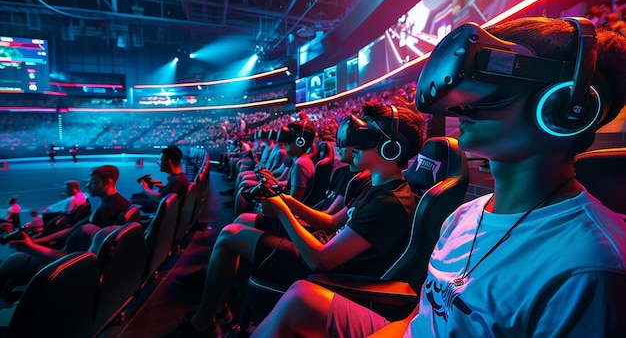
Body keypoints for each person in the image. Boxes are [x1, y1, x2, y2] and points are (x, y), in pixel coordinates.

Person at [250, 17, 626, 337]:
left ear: (567, 109)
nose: (460, 104)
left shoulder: (588, 268)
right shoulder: (461, 215)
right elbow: (422, 318)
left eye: (493, 89)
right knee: (299, 302)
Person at [167, 102, 425, 337]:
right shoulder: (375, 187)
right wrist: (287, 202)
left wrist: (283, 212)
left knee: (231, 235)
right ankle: (218, 310)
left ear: (391, 148)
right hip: (321, 247)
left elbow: (320, 260)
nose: (352, 146)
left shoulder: (390, 202)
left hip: (329, 274)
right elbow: (331, 222)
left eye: (365, 138)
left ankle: (204, 323)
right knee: (238, 228)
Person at [0, 164, 131, 294]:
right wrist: (37, 240)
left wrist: (30, 247)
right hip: (70, 255)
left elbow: (69, 256)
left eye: (93, 182)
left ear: (107, 182)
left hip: (67, 263)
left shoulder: (105, 212)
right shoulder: (116, 204)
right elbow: (74, 229)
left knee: (11, 262)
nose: (88, 185)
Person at [131, 145, 188, 213]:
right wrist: (162, 186)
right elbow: (171, 193)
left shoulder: (177, 180)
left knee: (131, 202)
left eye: (161, 160)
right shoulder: (181, 177)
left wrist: (145, 187)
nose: (158, 162)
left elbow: (159, 199)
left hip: (164, 215)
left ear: (169, 161)